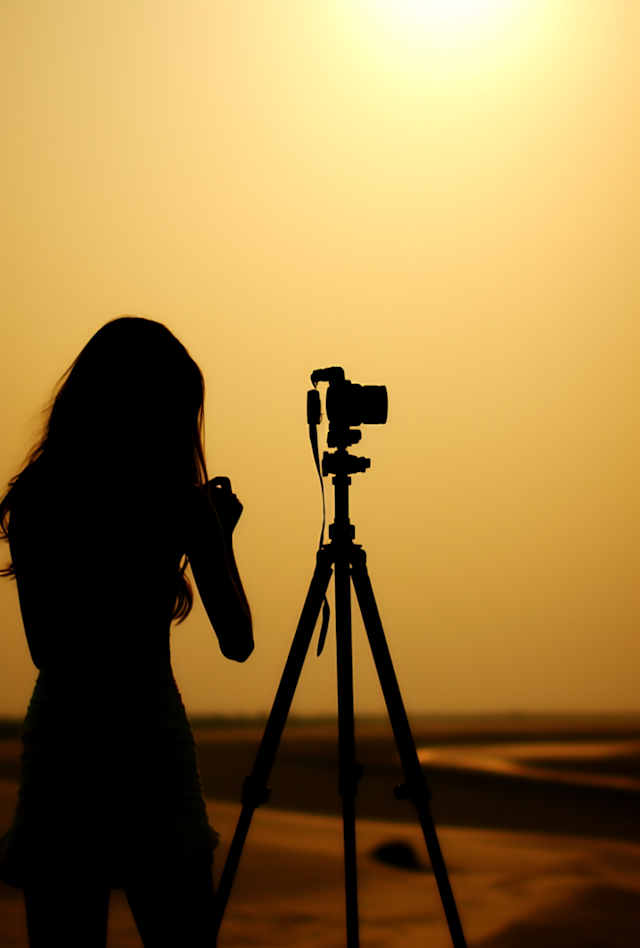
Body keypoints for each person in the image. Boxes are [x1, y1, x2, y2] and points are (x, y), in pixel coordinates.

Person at [0, 317, 254, 947]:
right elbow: (239, 640)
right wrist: (215, 541)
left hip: (63, 734)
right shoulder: (180, 505)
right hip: (148, 736)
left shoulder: (35, 497)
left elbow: (43, 650)